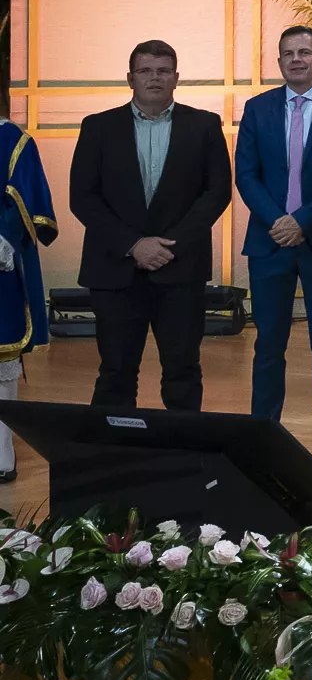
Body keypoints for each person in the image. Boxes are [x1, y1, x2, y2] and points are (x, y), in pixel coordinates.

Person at [70, 40, 232, 412]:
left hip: (180, 270)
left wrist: (166, 246)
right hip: (114, 270)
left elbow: (216, 193)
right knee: (115, 372)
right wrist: (134, 245)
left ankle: (183, 458)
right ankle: (114, 457)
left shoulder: (205, 125)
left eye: (163, 71)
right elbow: (83, 198)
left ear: (177, 77)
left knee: (182, 371)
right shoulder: (97, 127)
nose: (154, 78)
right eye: (145, 71)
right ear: (130, 78)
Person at [235, 24, 312, 466]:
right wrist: (279, 221)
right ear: (279, 61)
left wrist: (303, 221)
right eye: (288, 53)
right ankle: (262, 433)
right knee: (269, 342)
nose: (296, 60)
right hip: (270, 241)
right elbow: (246, 175)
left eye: (305, 52)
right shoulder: (257, 108)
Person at [0, 113, 58, 485]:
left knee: (1, 358)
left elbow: (24, 200)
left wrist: (4, 238)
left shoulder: (11, 139)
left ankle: (1, 449)